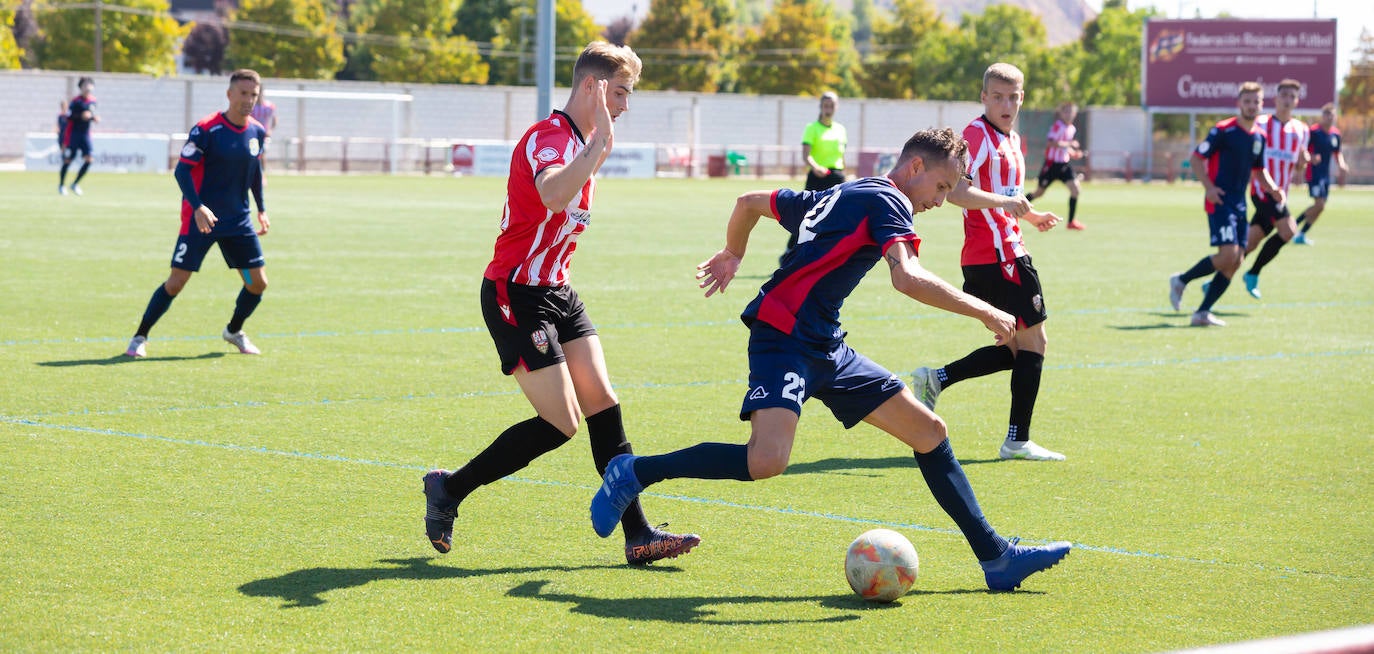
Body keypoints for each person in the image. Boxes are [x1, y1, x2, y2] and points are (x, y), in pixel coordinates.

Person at [587, 127, 1072, 592]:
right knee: (767, 460)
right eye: (941, 186)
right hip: (784, 337)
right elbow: (907, 277)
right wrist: (985, 310)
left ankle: (997, 558)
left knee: (930, 432)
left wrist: (734, 252)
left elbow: (749, 203)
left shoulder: (845, 192)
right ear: (916, 165)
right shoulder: (889, 200)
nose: (940, 200)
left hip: (827, 346)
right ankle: (633, 472)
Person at [420, 42, 700, 566]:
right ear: (592, 88)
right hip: (516, 293)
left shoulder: (582, 140)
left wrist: (596, 145)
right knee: (562, 423)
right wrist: (598, 149)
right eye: (619, 92)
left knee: (604, 402)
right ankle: (449, 488)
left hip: (558, 291)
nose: (624, 105)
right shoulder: (549, 139)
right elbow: (550, 193)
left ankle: (638, 534)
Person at [911, 63, 1065, 462]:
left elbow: (1007, 194)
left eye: (1013, 97)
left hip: (1007, 249)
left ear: (1022, 98)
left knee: (1020, 347)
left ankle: (937, 378)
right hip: (997, 256)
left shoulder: (1012, 139)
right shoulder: (975, 136)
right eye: (997, 96)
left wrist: (1028, 215)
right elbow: (958, 192)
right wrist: (1007, 205)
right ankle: (1017, 440)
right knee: (1035, 343)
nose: (1006, 104)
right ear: (984, 97)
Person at [124, 69, 271, 359]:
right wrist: (198, 207)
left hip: (238, 220)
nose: (248, 100)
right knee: (176, 282)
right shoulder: (206, 129)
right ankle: (139, 337)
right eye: (243, 94)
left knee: (257, 283)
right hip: (201, 220)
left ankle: (233, 330)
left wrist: (261, 209)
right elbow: (182, 170)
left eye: (253, 95)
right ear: (230, 94)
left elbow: (254, 172)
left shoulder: (257, 131)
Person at [1168, 82, 1281, 327]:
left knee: (1237, 260)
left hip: (1240, 205)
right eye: (1247, 101)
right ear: (1239, 103)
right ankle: (1181, 280)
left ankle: (1202, 312)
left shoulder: (1259, 137)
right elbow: (1197, 159)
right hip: (1220, 201)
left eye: (1256, 102)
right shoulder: (1223, 130)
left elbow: (1259, 170)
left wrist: (1273, 189)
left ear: (1262, 105)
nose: (1252, 106)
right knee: (1228, 255)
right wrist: (1209, 187)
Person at [1236, 79, 1309, 299]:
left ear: (1296, 101)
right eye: (1284, 95)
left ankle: (1217, 277)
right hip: (1262, 190)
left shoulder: (1301, 129)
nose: (1287, 100)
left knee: (1251, 242)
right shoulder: (1261, 124)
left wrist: (1303, 162)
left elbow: (1297, 164)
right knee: (1288, 231)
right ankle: (1253, 274)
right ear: (1276, 98)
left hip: (1281, 193)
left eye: (1292, 96)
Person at [786, 91, 847, 253]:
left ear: (836, 107)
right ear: (821, 107)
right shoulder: (812, 128)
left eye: (832, 105)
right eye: (826, 105)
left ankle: (829, 251)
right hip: (818, 176)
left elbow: (841, 156)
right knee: (806, 215)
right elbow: (806, 155)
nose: (829, 109)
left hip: (837, 176)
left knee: (838, 215)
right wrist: (815, 167)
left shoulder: (841, 129)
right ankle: (790, 251)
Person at [1291, 102, 1348, 246]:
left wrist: (1341, 165)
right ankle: (1292, 226)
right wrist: (1310, 158)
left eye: (1332, 115)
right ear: (1322, 116)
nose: (1329, 117)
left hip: (1325, 175)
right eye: (1327, 114)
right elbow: (1302, 150)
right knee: (1319, 205)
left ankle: (1301, 234)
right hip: (1313, 173)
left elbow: (1337, 153)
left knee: (1320, 208)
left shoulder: (1335, 134)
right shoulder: (1314, 132)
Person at [1025, 102, 1085, 230]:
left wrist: (1073, 154)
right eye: (1066, 112)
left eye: (1071, 112)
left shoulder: (1071, 128)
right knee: (1039, 193)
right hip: (1051, 165)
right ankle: (1015, 210)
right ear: (1061, 113)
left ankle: (1071, 222)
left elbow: (1064, 148)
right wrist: (1069, 144)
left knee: (1076, 190)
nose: (1069, 114)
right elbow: (1050, 143)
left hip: (1063, 165)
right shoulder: (1058, 126)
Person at [58, 76, 98, 196]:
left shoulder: (93, 101)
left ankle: (75, 183)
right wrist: (81, 116)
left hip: (85, 135)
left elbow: (90, 114)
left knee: (89, 160)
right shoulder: (76, 101)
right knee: (68, 160)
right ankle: (61, 185)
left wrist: (93, 118)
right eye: (85, 85)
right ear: (81, 87)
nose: (88, 87)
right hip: (73, 135)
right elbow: (68, 116)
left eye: (90, 85)